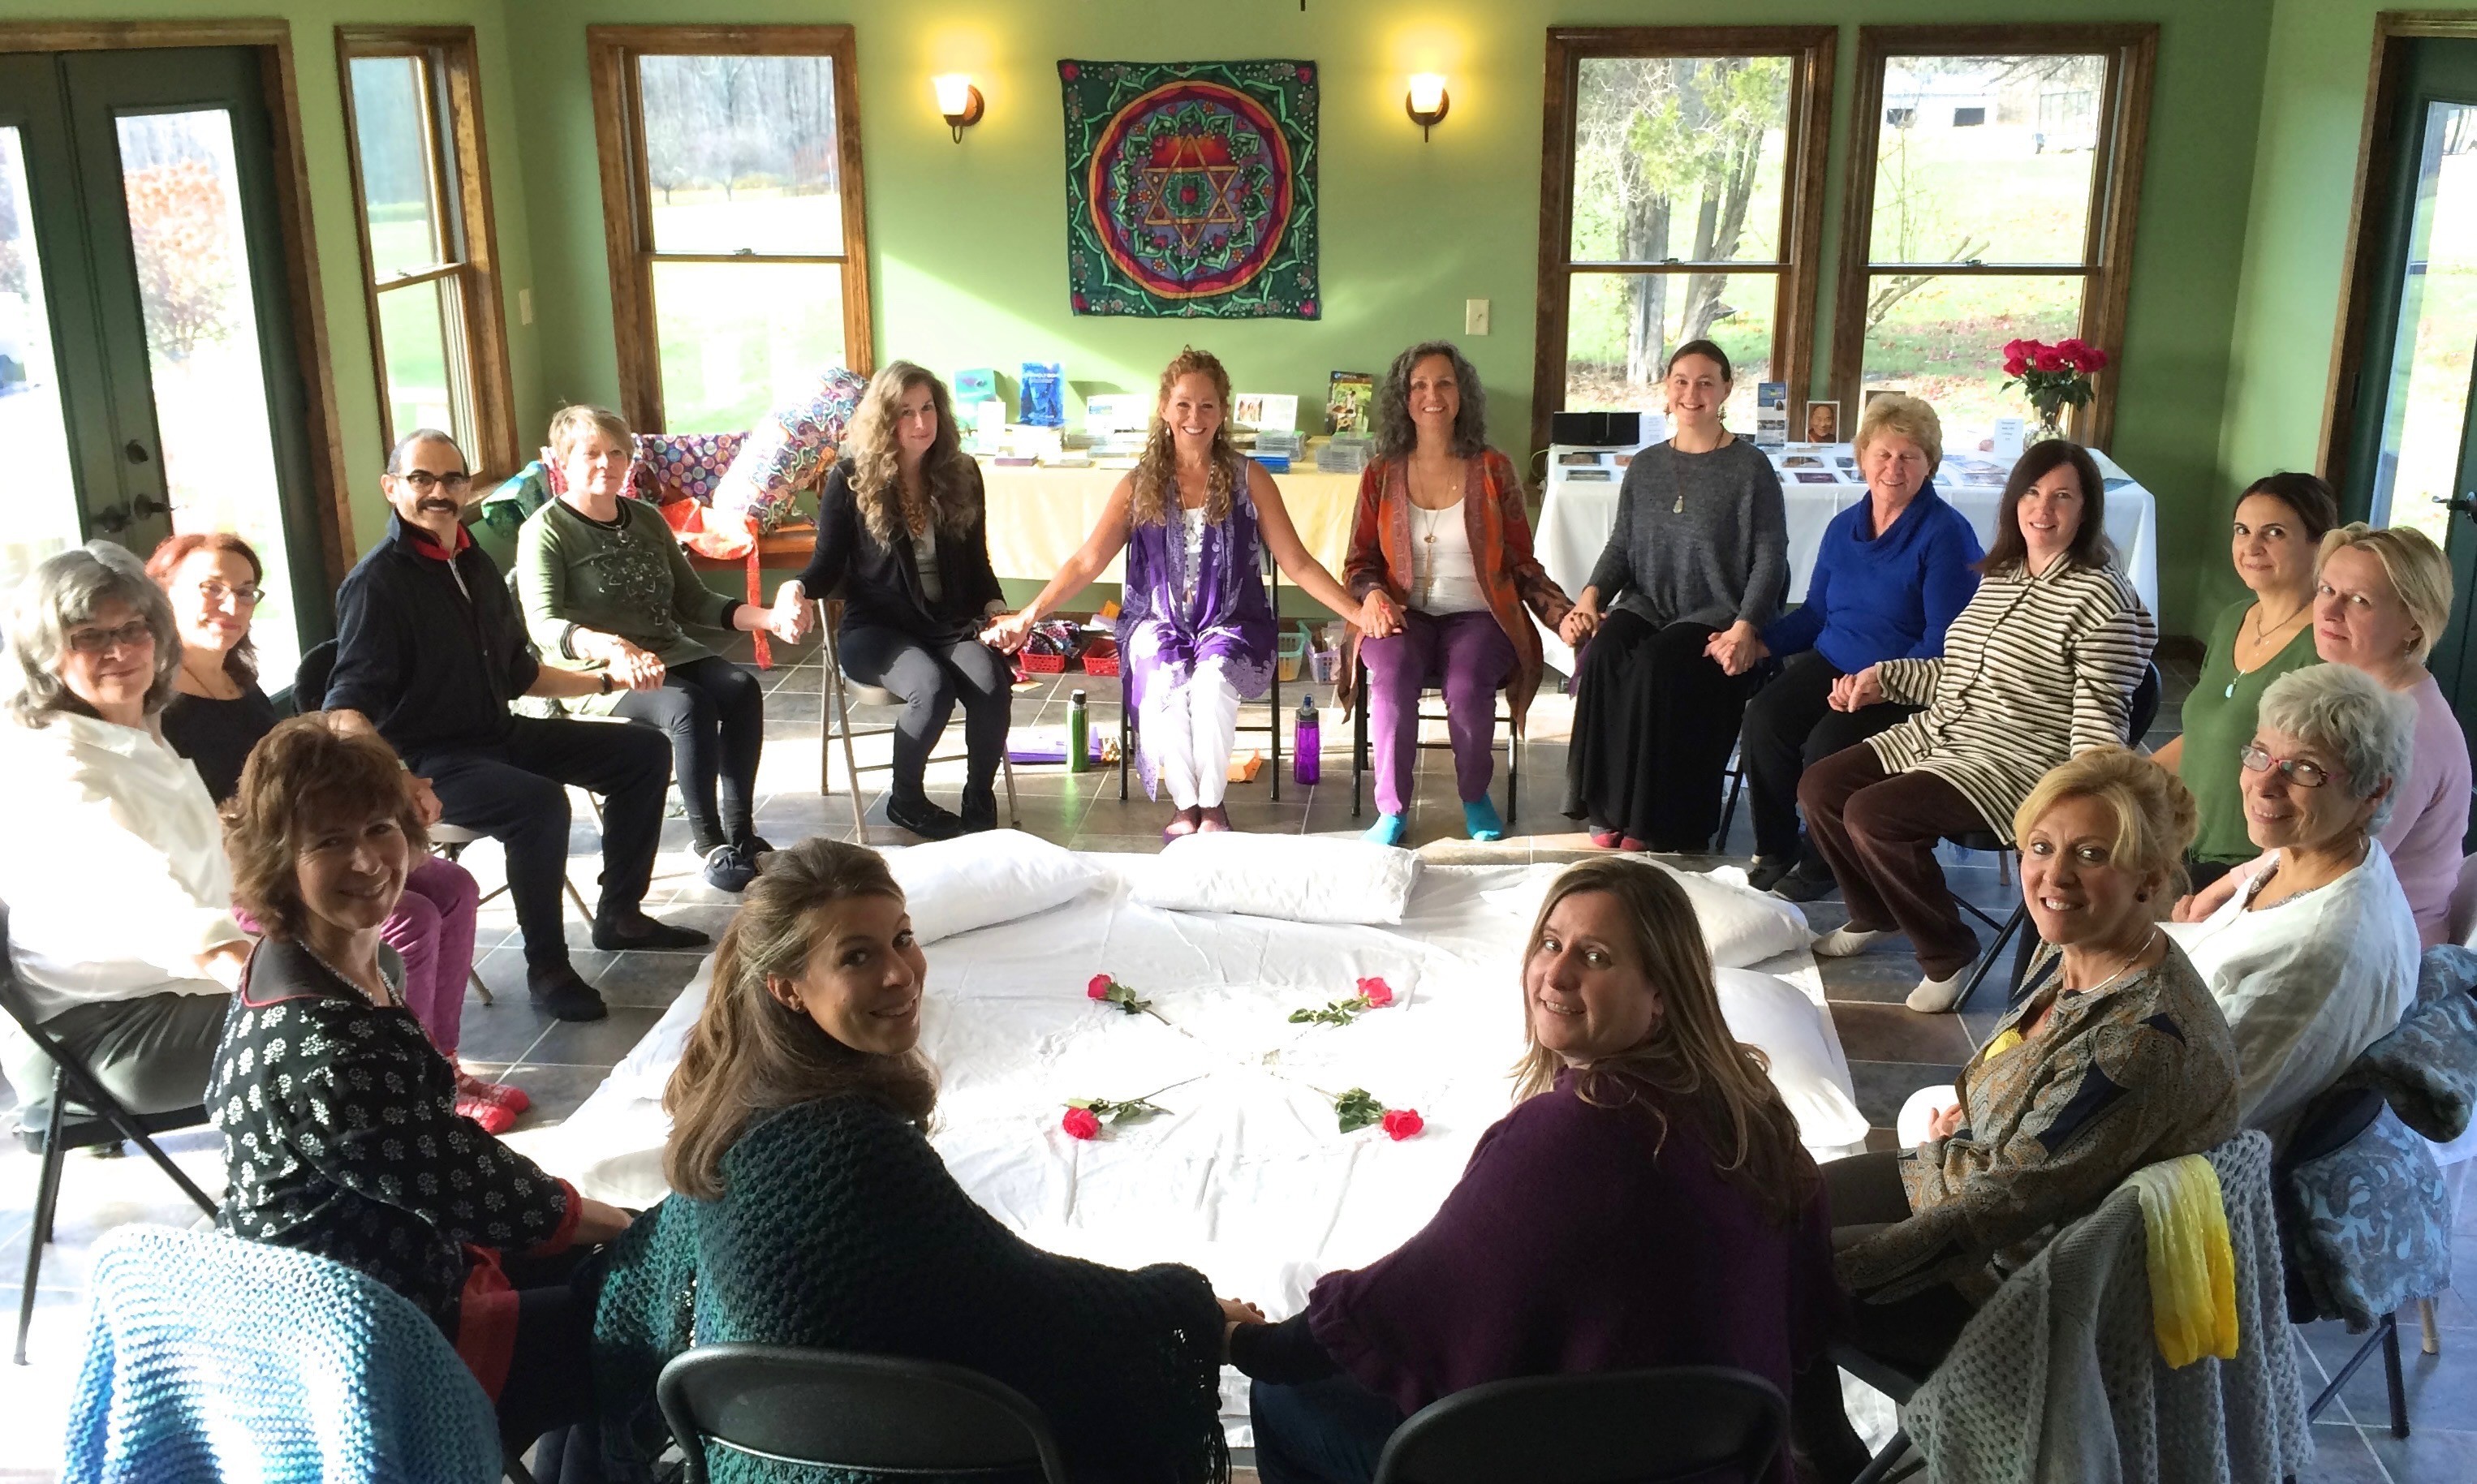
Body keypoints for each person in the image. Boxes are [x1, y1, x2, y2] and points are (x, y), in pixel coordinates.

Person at [591, 838, 1238, 1484]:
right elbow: (1032, 1308)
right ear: (787, 989)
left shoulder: (737, 1120)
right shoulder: (849, 1154)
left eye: (902, 938)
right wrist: (1184, 1305)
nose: (901, 973)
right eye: (857, 956)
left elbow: (639, 1276)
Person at [1229, 858, 1839, 1484]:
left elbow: (1409, 1298)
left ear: (1661, 995)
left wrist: (1247, 1344)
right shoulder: (1748, 1106)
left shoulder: (1577, 1133)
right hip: (1710, 1461)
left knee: (1285, 1398)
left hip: (1584, 1462)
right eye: (1550, 943)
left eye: (1596, 956)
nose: (1557, 971)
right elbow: (1806, 1312)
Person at [1793, 750, 2239, 1482]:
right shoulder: (2078, 948)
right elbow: (2015, 1088)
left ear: (2150, 880)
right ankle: (1823, 1448)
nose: (2054, 876)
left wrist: (1819, 1270)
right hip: (1978, 1186)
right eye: (2041, 846)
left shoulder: (2138, 1040)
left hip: (2024, 1285)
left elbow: (1997, 1213)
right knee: (1773, 1209)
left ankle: (1822, 1463)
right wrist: (1967, 1125)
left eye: (2091, 855)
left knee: (1765, 1271)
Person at [207, 714, 633, 1449]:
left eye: (379, 827)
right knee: (648, 1312)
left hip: (394, 1262)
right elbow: (484, 1193)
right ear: (280, 861)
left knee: (620, 1267)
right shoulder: (326, 1047)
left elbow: (440, 1161)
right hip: (362, 1345)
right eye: (329, 841)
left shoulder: (320, 964)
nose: (369, 859)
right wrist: (638, 1226)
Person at [325, 428, 707, 1026]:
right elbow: (343, 710)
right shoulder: (378, 584)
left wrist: (607, 682)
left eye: (452, 478)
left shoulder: (472, 561)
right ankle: (548, 967)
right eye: (422, 479)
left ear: (467, 486)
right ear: (391, 488)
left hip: (499, 734)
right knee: (538, 803)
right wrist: (398, 777)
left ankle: (620, 915)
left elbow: (519, 674)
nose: (439, 492)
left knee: (643, 751)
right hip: (432, 759)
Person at [146, 531, 523, 1131]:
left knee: (453, 886)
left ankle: (441, 1062)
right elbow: (203, 832)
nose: (231, 605)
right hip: (245, 875)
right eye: (210, 589)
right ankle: (407, 1081)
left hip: (306, 849)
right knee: (409, 916)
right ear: (163, 593)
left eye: (244, 592)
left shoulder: (235, 678)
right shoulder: (156, 704)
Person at [1800, 441, 2156, 1012]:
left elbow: (2101, 717)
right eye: (2034, 493)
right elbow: (1961, 668)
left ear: (2086, 510)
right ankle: (1876, 911)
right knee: (1820, 786)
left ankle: (1947, 951)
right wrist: (1884, 679)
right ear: (2014, 502)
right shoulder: (2005, 573)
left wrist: (2076, 803)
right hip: (1945, 733)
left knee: (1874, 815)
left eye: (2063, 496)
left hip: (2016, 760)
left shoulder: (2103, 598)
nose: (2044, 508)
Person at [986, 347, 1363, 839]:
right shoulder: (1138, 484)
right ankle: (1187, 806)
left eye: (1207, 405)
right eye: (1183, 404)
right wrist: (1029, 615)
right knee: (1165, 683)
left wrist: (1357, 612)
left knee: (1209, 688)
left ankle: (1213, 805)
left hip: (1232, 621)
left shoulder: (1252, 479)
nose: (1194, 417)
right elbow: (1087, 561)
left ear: (1223, 413)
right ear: (1164, 409)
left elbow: (1298, 563)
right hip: (1155, 620)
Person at [0, 542, 245, 1124]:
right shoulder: (61, 767)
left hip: (165, 995)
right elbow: (160, 903)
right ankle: (310, 1199)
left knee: (366, 964)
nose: (120, 649)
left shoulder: (132, 732)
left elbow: (206, 857)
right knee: (341, 1012)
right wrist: (279, 976)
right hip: (102, 1037)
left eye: (134, 627)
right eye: (88, 636)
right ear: (45, 654)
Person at [518, 405, 796, 892]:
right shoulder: (545, 530)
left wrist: (770, 618)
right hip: (594, 669)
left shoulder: (646, 518)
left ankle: (741, 834)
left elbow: (696, 602)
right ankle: (709, 845)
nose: (607, 463)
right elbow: (544, 625)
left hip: (668, 650)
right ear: (563, 462)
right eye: (591, 454)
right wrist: (612, 648)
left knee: (740, 688)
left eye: (617, 453)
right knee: (687, 706)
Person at [2164, 666, 2418, 1146]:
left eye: (2304, 769)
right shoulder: (2314, 856)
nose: (2264, 785)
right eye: (2260, 754)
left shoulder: (2318, 953)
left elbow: (2202, 1120)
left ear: (2374, 791)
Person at [1740, 394, 1983, 897]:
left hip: (1903, 682)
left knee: (1826, 748)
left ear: (1929, 465)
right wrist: (1760, 644)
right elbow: (1815, 616)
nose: (1893, 468)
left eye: (1909, 457)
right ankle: (1777, 845)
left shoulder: (1946, 536)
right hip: (1833, 659)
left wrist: (1880, 681)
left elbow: (1944, 644)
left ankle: (1825, 860)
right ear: (1863, 457)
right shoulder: (1843, 526)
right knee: (1764, 716)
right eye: (1883, 454)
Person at [2181, 523, 2467, 946]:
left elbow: (2327, 870)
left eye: (2359, 601)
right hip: (2317, 914)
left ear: (2413, 623)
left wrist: (2220, 902)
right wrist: (2223, 891)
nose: (2329, 612)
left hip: (2374, 946)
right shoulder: (2354, 694)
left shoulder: (2410, 728)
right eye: (2326, 590)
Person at [1558, 340, 1789, 852]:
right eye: (1682, 381)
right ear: (1667, 389)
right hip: (1649, 603)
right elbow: (1621, 545)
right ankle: (1606, 806)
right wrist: (1591, 597)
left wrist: (1746, 626)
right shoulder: (1645, 466)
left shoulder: (1750, 469)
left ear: (1727, 389)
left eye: (1706, 381)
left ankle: (1655, 821)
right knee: (1604, 654)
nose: (1693, 393)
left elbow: (1771, 558)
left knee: (1657, 668)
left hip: (1718, 611)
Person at [769, 363, 1013, 840]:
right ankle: (905, 800)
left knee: (990, 683)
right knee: (932, 687)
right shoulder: (850, 480)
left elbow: (977, 562)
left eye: (928, 409)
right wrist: (794, 587)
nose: (921, 423)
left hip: (947, 622)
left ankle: (978, 796)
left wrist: (997, 610)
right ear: (884, 420)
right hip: (876, 628)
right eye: (905, 413)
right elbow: (825, 567)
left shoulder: (961, 472)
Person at [1343, 341, 1571, 845]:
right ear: (1404, 399)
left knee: (1468, 685)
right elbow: (1359, 563)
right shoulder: (1380, 472)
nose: (1433, 395)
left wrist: (1561, 615)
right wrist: (1373, 595)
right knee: (1391, 672)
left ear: (1462, 394)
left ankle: (1475, 795)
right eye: (1419, 385)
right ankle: (1393, 810)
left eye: (1444, 383)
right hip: (1403, 615)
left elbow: (1520, 562)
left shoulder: (1493, 468)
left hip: (1478, 614)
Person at [2149, 474, 2335, 890]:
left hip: (2249, 863)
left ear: (2319, 543)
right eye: (2242, 531)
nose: (2251, 547)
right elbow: (2205, 735)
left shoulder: (2324, 646)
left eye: (2274, 533)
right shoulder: (2233, 617)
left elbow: (2320, 784)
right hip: (2185, 841)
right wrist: (2120, 778)